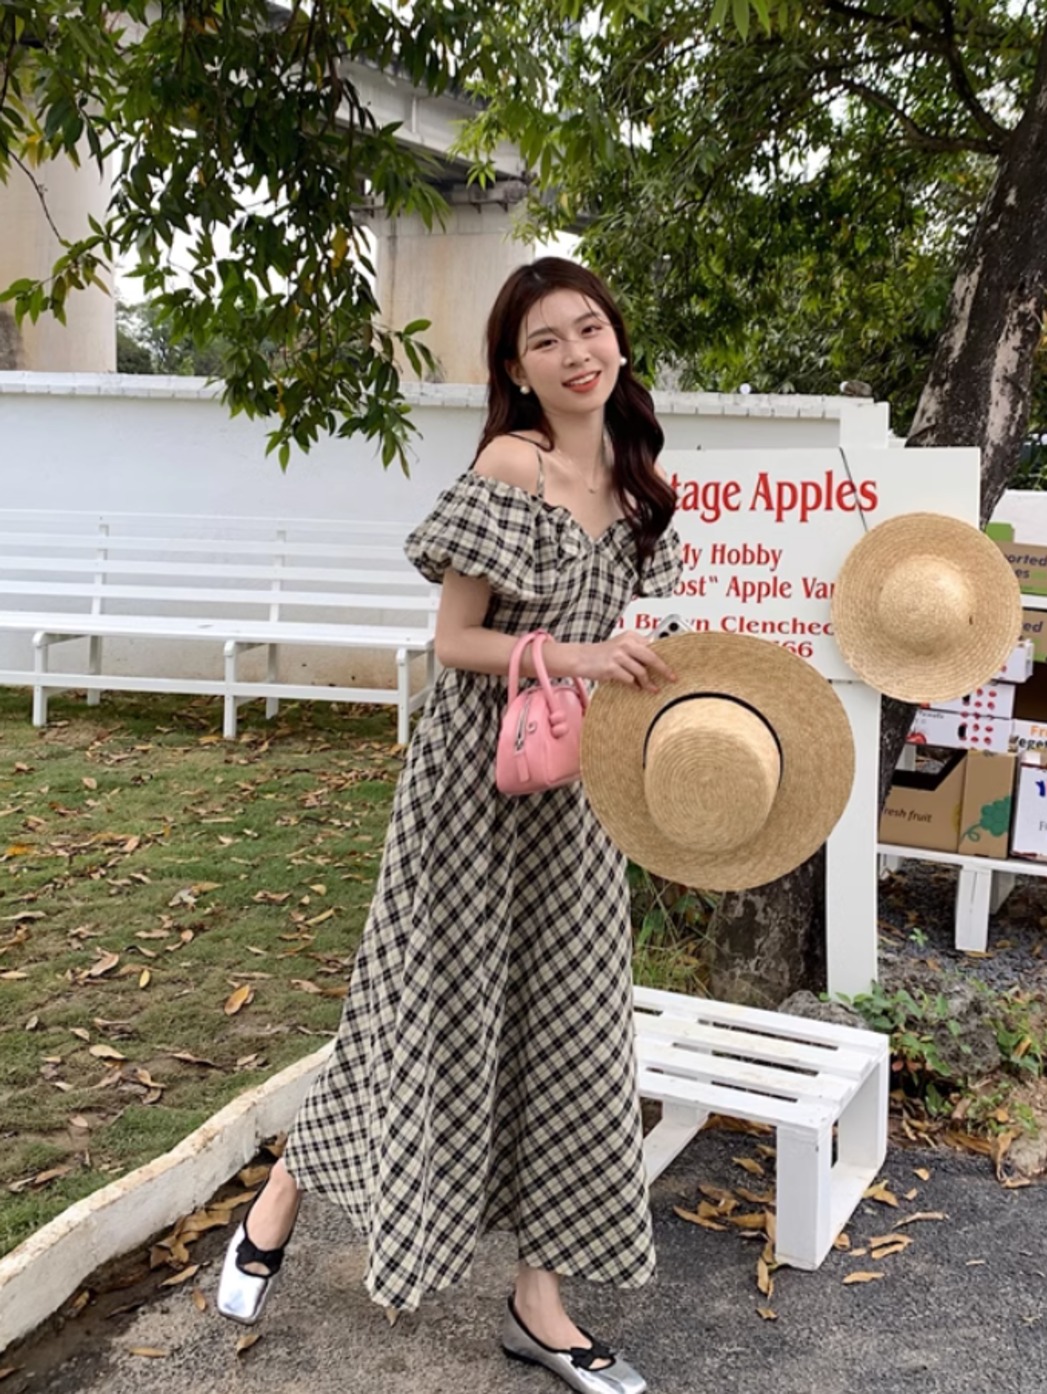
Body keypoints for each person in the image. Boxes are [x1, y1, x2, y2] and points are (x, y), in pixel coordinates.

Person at [215, 257, 681, 1394]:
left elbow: (620, 631)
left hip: (576, 795)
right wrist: (580, 653)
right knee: (416, 1007)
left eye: (588, 329)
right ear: (515, 370)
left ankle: (538, 1303)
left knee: (572, 1028)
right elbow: (455, 641)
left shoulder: (640, 479)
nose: (575, 354)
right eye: (544, 342)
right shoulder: (511, 464)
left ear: (617, 338)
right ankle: (282, 1195)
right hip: (471, 785)